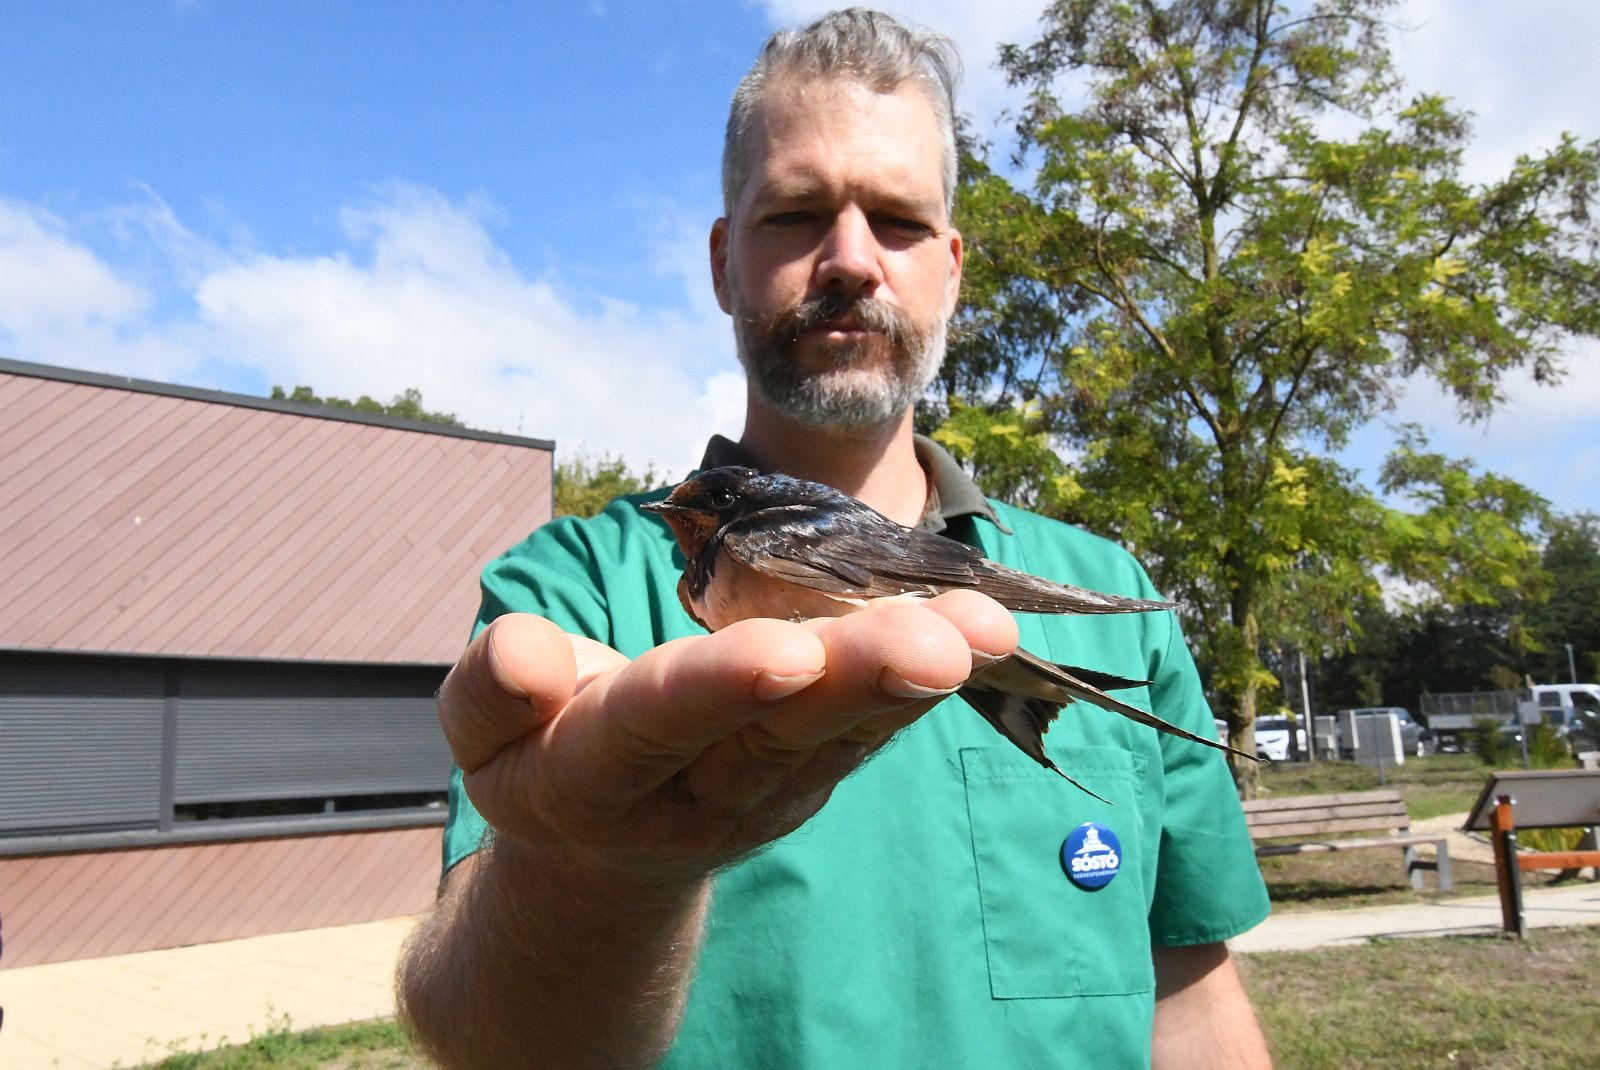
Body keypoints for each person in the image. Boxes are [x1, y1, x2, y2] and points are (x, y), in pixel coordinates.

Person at [397, 9, 1272, 1068]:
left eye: (897, 220)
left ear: (951, 266)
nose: (850, 258)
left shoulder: (1108, 584)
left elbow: (1190, 995)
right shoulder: (576, 584)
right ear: (725, 262)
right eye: (797, 213)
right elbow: (482, 1042)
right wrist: (597, 870)